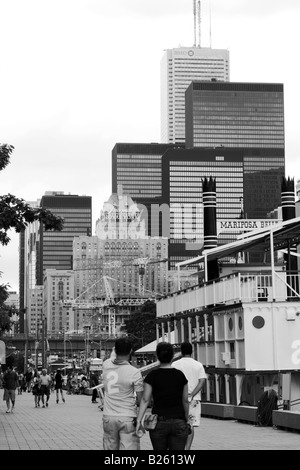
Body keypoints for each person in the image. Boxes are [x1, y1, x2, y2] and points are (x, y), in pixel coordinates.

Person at [136, 342, 190, 451]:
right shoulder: (180, 375)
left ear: (157, 356)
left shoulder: (152, 376)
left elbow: (145, 399)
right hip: (179, 421)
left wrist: (139, 420)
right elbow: (185, 400)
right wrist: (187, 419)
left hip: (158, 422)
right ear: (172, 356)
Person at [102, 337, 144, 450]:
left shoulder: (106, 365)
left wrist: (114, 350)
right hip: (127, 416)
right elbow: (141, 399)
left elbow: (112, 357)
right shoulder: (134, 372)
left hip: (108, 416)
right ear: (130, 351)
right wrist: (140, 419)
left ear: (115, 351)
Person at [172, 341, 207, 450]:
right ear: (192, 351)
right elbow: (201, 382)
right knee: (190, 425)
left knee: (177, 424)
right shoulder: (198, 365)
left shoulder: (175, 365)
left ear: (181, 351)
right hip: (194, 400)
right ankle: (187, 449)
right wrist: (192, 394)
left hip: (178, 399)